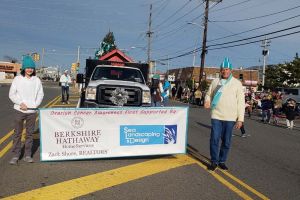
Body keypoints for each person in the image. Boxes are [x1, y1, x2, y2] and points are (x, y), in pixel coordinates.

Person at [204, 57, 245, 171]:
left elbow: (241, 102)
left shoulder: (237, 83)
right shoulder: (215, 81)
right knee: (214, 139)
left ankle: (222, 160)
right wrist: (207, 101)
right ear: (220, 70)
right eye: (223, 69)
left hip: (230, 117)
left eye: (227, 69)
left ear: (231, 70)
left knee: (226, 141)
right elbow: (208, 94)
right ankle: (214, 161)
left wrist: (240, 119)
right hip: (216, 115)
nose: (225, 71)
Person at [8, 55, 44, 165]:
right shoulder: (17, 79)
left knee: (29, 134)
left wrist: (35, 104)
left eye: (31, 68)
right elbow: (11, 94)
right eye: (28, 67)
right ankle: (16, 155)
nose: (30, 69)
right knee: (17, 133)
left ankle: (28, 155)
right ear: (24, 68)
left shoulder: (37, 80)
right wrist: (20, 103)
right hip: (19, 110)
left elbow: (40, 94)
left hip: (32, 112)